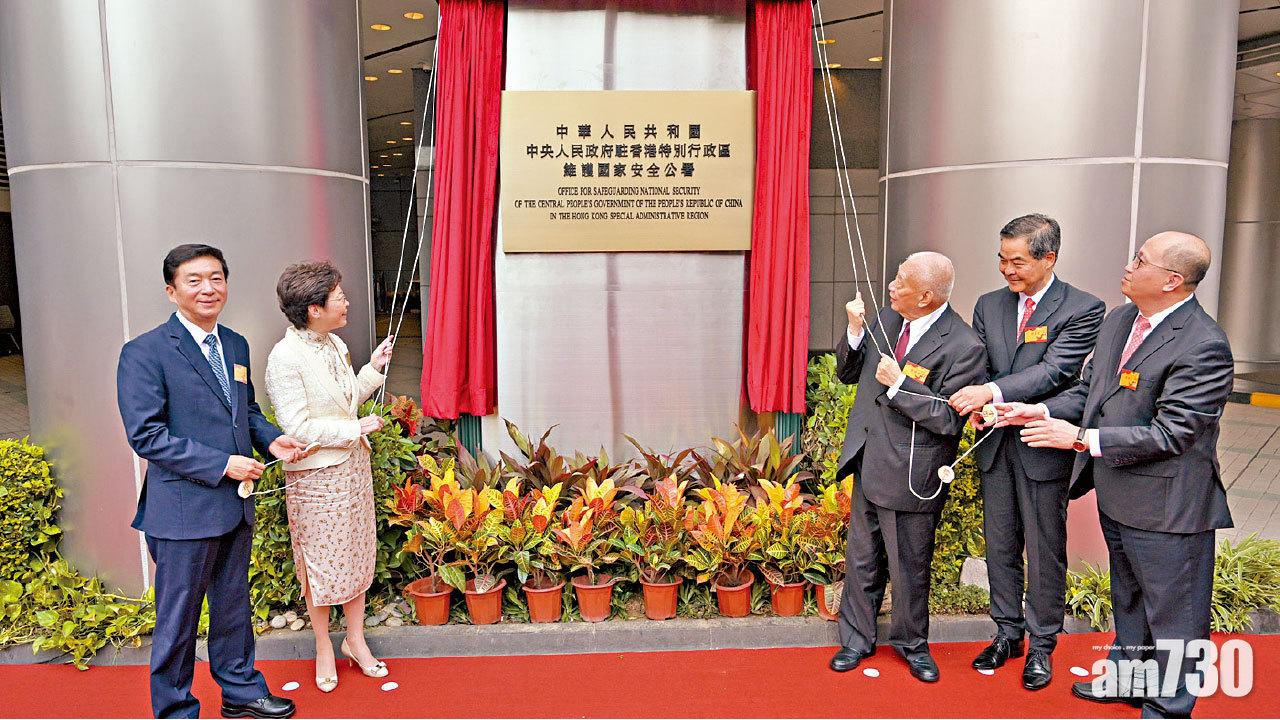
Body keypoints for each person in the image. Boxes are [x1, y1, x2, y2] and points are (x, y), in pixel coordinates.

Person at [999, 231, 1233, 717]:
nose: (1128, 266)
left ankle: (1169, 707)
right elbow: (1092, 392)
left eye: (1140, 260)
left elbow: (1174, 433)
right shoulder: (1122, 319)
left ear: (1171, 281)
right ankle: (1129, 681)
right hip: (1120, 494)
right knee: (1128, 600)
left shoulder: (1203, 344)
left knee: (1174, 617)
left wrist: (1082, 440)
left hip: (1171, 508)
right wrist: (1036, 411)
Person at [117, 244, 308, 719]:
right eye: (194, 279)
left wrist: (271, 441)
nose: (208, 288)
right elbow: (148, 436)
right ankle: (176, 707)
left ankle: (241, 691)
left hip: (233, 505)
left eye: (216, 277)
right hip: (181, 510)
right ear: (171, 290)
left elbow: (244, 411)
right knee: (177, 620)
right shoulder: (144, 352)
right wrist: (224, 463)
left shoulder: (236, 344)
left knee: (232, 607)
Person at [948, 214, 1105, 690]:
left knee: (1043, 548)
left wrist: (992, 394)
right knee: (1000, 544)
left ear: (1048, 258)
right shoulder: (988, 305)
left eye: (1017, 261)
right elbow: (976, 366)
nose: (1006, 270)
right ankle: (1006, 633)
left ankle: (1042, 643)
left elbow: (1057, 372)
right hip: (994, 444)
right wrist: (977, 403)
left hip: (1041, 446)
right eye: (1001, 258)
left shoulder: (1082, 308)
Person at [828, 251, 987, 683]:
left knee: (909, 566)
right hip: (869, 455)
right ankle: (856, 640)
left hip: (913, 471)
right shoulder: (888, 317)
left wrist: (900, 384)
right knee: (862, 558)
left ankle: (912, 645)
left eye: (902, 282)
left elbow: (950, 419)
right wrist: (856, 333)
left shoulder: (963, 345)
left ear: (927, 296)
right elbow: (848, 373)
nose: (892, 287)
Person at [264, 261, 395, 693]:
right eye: (338, 297)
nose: (346, 303)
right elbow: (297, 425)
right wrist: (353, 430)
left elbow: (346, 399)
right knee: (319, 565)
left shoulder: (335, 344)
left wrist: (373, 369)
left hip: (353, 469)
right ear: (313, 309)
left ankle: (355, 641)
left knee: (357, 553)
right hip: (315, 478)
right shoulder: (284, 358)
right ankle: (323, 646)